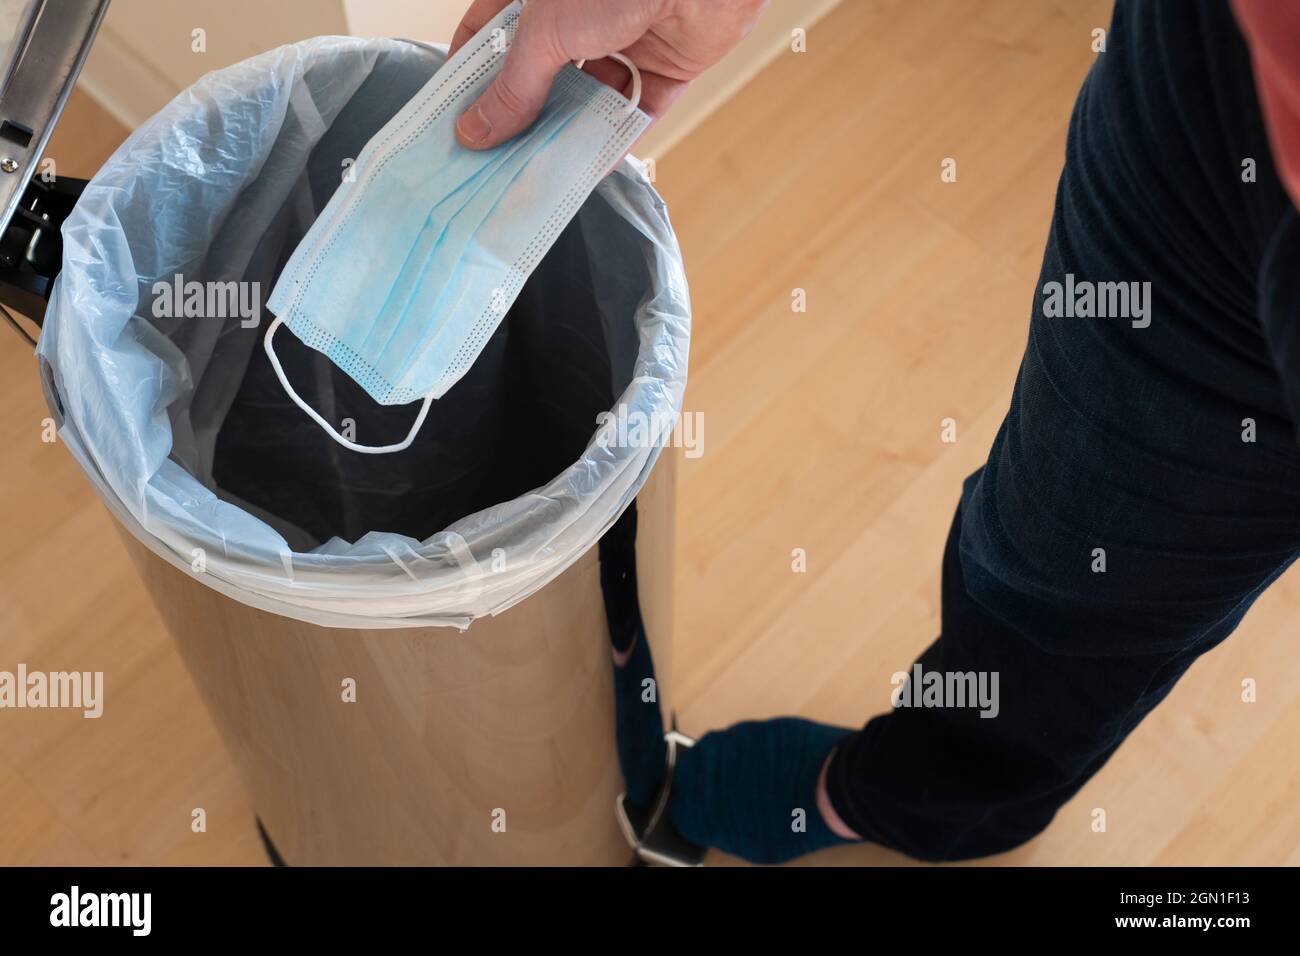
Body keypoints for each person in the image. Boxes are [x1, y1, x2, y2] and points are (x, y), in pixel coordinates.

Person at [451, 0, 1300, 864]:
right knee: (1054, 564)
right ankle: (939, 775)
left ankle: (897, 802)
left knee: (1094, 594)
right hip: (1218, 71)